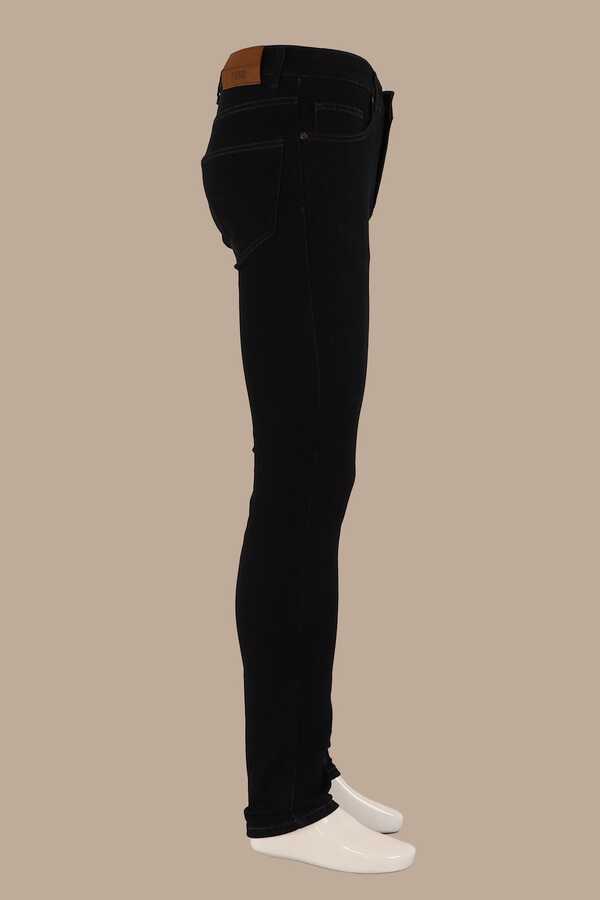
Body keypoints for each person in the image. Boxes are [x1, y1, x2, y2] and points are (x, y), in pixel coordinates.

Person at [201, 44, 415, 872]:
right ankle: (286, 802)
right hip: (301, 123)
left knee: (314, 474)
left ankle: (306, 766)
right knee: (301, 475)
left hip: (312, 126)